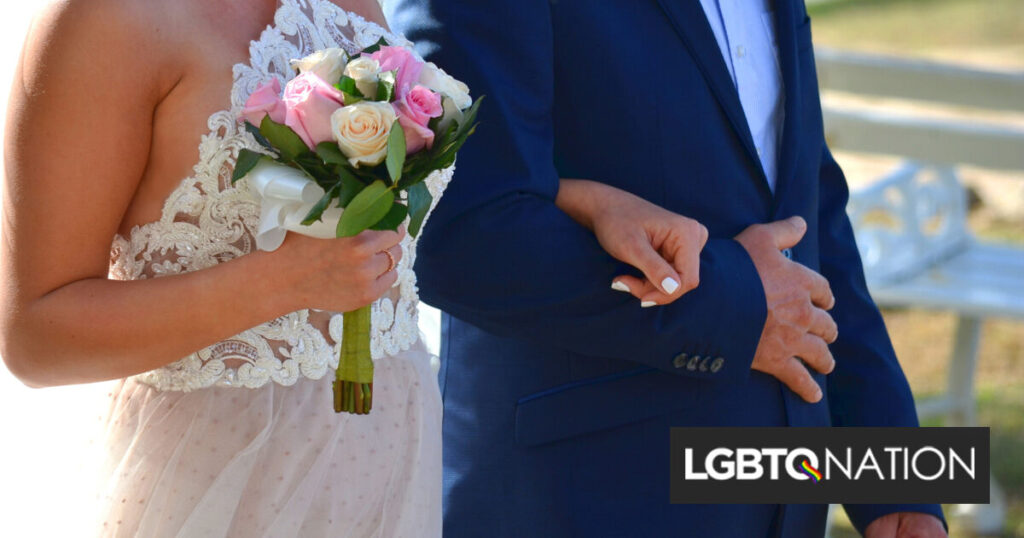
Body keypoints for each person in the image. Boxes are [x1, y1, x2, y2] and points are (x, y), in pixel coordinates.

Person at [0, 0, 713, 535]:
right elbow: (34, 335)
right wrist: (281, 283)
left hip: (390, 453)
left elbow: (388, 200)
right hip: (215, 479)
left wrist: (581, 201)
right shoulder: (106, 20)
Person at [388, 0, 949, 536]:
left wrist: (895, 477)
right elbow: (456, 228)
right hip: (590, 493)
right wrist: (738, 308)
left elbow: (807, 207)